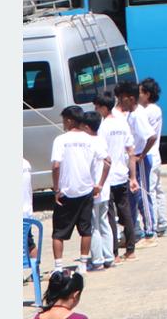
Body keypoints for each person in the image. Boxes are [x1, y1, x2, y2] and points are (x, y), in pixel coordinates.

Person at [50, 106, 105, 270]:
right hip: (86, 189)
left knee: (58, 232)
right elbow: (106, 161)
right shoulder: (90, 139)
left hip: (66, 191)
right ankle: (82, 263)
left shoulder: (60, 140)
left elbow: (55, 166)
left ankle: (58, 266)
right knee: (85, 229)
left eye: (64, 120)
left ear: (69, 120)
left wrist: (56, 188)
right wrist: (99, 183)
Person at [91, 91, 135, 267]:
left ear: (103, 107)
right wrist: (132, 176)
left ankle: (114, 253)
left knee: (110, 216)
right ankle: (131, 249)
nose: (96, 110)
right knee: (125, 211)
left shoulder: (102, 128)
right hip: (122, 173)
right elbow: (131, 151)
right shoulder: (122, 124)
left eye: (96, 107)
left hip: (108, 176)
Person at [116, 82, 152, 242]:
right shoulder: (130, 113)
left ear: (131, 98)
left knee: (143, 195)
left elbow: (151, 136)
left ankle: (150, 230)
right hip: (133, 159)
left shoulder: (138, 114)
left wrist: (142, 155)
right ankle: (137, 231)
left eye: (122, 98)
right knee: (134, 196)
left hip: (140, 158)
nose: (120, 102)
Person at [137, 78, 167, 237]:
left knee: (149, 192)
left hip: (148, 154)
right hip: (156, 154)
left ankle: (153, 226)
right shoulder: (157, 109)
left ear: (147, 94)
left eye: (140, 92)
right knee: (158, 189)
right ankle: (162, 223)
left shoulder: (145, 111)